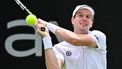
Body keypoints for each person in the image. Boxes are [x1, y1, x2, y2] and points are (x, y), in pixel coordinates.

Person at [35, 4, 107, 69]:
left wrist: (47, 24)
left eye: (88, 16)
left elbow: (75, 40)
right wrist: (46, 37)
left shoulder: (99, 36)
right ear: (73, 20)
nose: (84, 18)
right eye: (80, 15)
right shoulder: (60, 48)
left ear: (91, 23)